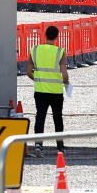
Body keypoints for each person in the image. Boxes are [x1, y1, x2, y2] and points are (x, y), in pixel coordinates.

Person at [26, 25, 68, 153]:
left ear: (45, 35)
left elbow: (28, 72)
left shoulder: (35, 50)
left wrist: (38, 80)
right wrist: (66, 84)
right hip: (56, 92)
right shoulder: (60, 52)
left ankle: (38, 144)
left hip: (40, 91)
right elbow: (65, 75)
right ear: (57, 37)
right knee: (57, 118)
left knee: (40, 117)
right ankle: (60, 145)